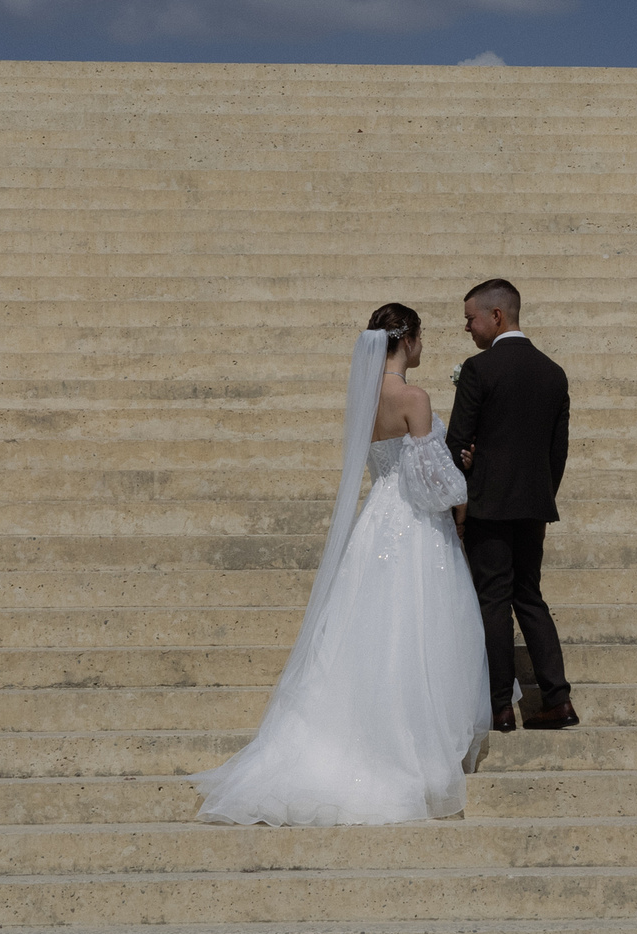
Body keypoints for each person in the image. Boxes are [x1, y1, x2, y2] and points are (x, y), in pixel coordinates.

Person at [190, 305, 491, 825]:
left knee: (369, 628)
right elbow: (429, 486)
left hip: (376, 521)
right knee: (415, 628)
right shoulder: (414, 398)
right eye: (421, 337)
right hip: (413, 525)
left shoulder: (365, 400)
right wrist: (463, 478)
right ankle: (409, 742)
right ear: (407, 340)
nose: (423, 346)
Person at [447, 278, 577, 732]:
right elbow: (558, 452)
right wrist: (541, 495)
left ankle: (500, 706)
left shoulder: (479, 369)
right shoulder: (553, 372)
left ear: (496, 316)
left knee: (493, 601)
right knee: (529, 597)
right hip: (534, 505)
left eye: (470, 318)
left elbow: (456, 444)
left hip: (488, 506)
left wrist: (463, 491)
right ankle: (558, 699)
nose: (467, 327)